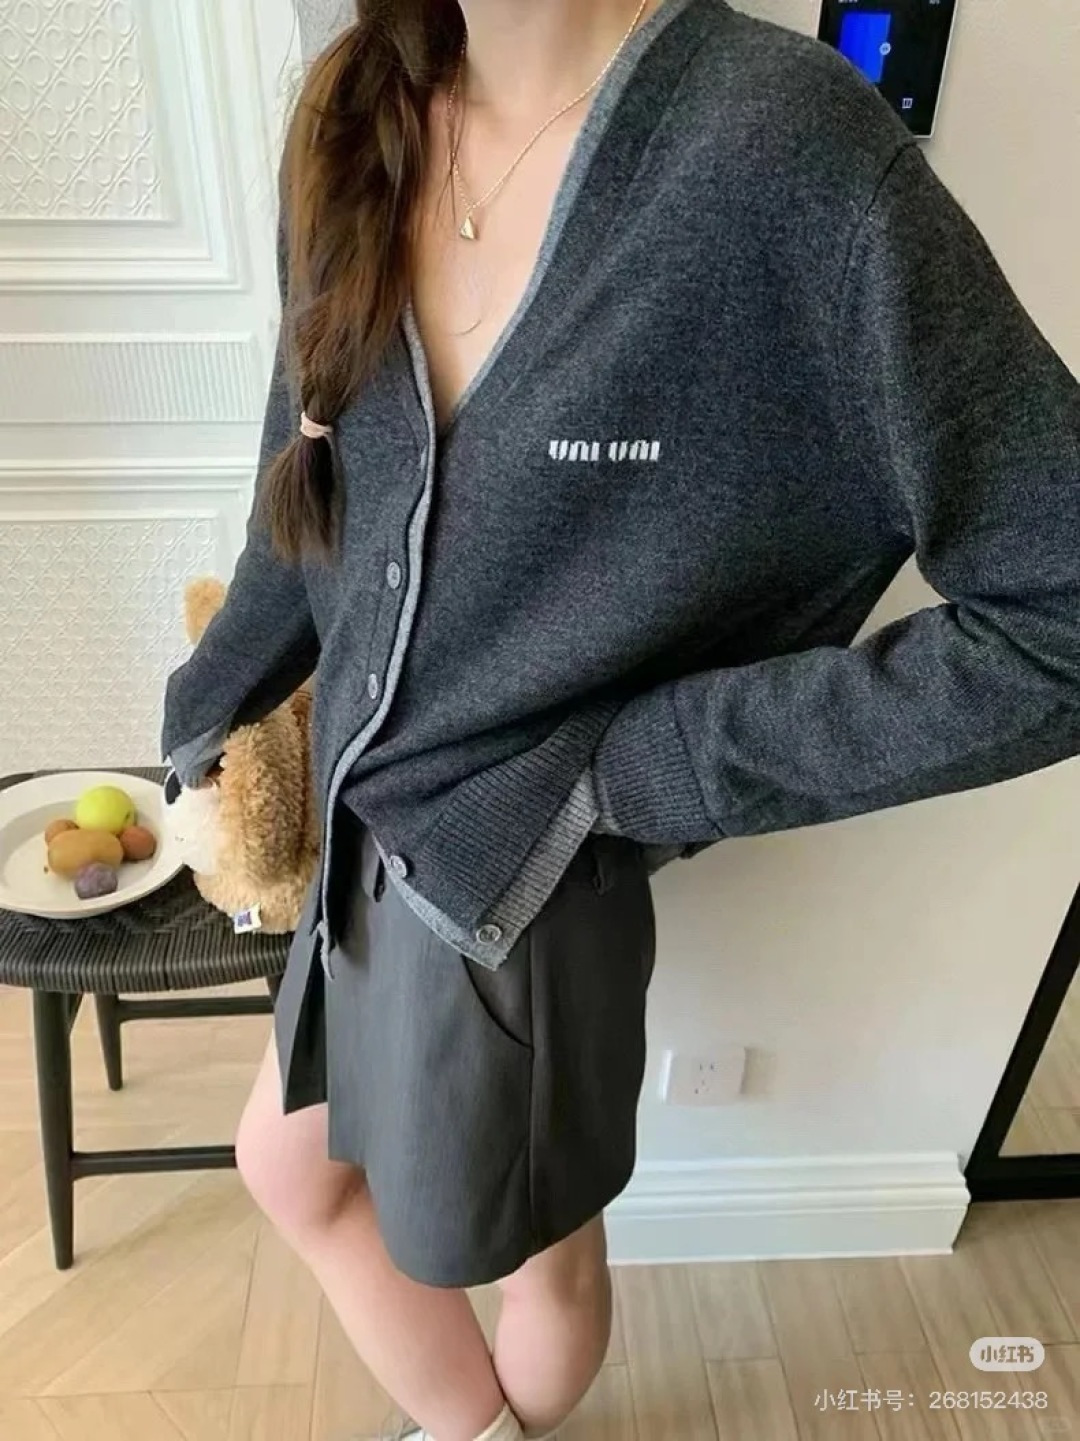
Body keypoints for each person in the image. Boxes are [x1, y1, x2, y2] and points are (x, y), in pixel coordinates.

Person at [161, 0, 1080, 1437]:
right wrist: (209, 702)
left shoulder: (787, 156)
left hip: (523, 893)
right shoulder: (354, 106)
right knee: (292, 1168)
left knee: (542, 1262)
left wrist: (648, 766)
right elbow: (308, 472)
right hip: (359, 833)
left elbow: (1061, 608)